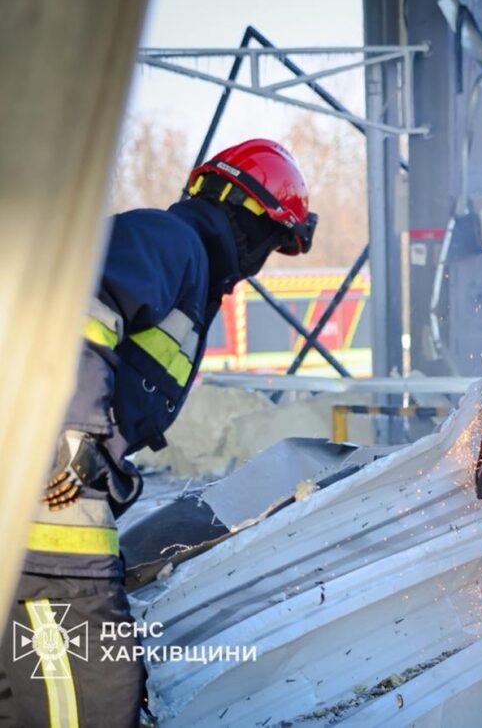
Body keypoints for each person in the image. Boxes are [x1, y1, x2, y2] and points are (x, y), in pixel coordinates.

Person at [0, 138, 317, 728]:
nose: (263, 264)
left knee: (30, 702)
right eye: (273, 244)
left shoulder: (190, 276)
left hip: (51, 514)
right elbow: (74, 310)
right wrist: (75, 444)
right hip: (50, 518)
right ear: (246, 218)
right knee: (95, 699)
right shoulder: (171, 243)